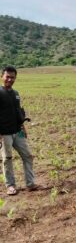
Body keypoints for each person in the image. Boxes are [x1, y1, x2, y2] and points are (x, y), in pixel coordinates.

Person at [0, 66, 37, 195]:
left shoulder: (16, 94)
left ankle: (30, 183)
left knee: (28, 156)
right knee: (7, 159)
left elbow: (18, 113)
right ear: (2, 76)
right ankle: (10, 185)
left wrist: (23, 127)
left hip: (18, 131)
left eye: (12, 77)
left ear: (16, 78)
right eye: (7, 76)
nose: (10, 79)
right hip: (4, 133)